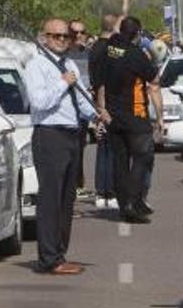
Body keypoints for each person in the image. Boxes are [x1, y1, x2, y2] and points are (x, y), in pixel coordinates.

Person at [24, 18, 108, 275]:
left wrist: (96, 115)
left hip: (72, 135)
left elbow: (80, 97)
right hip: (50, 135)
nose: (62, 41)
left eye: (65, 37)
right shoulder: (36, 66)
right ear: (44, 37)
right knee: (51, 198)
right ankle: (49, 257)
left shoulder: (69, 63)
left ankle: (60, 252)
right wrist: (63, 82)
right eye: (56, 36)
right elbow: (39, 102)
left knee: (67, 198)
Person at [102, 17, 163, 224]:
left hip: (112, 116)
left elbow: (99, 81)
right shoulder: (135, 54)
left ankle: (123, 204)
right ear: (137, 34)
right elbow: (153, 81)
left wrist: (101, 109)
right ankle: (132, 202)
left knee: (120, 161)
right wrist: (160, 116)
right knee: (142, 157)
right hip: (134, 116)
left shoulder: (108, 50)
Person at [89, 15, 120, 209]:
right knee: (114, 148)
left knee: (103, 148)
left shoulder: (93, 49)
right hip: (110, 103)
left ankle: (102, 191)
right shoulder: (112, 50)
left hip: (97, 102)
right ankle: (110, 191)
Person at [68, 19, 92, 201]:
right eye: (74, 32)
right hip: (65, 111)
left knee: (79, 148)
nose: (78, 36)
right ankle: (72, 185)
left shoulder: (90, 55)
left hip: (83, 110)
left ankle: (78, 183)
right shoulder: (63, 56)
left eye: (81, 32)